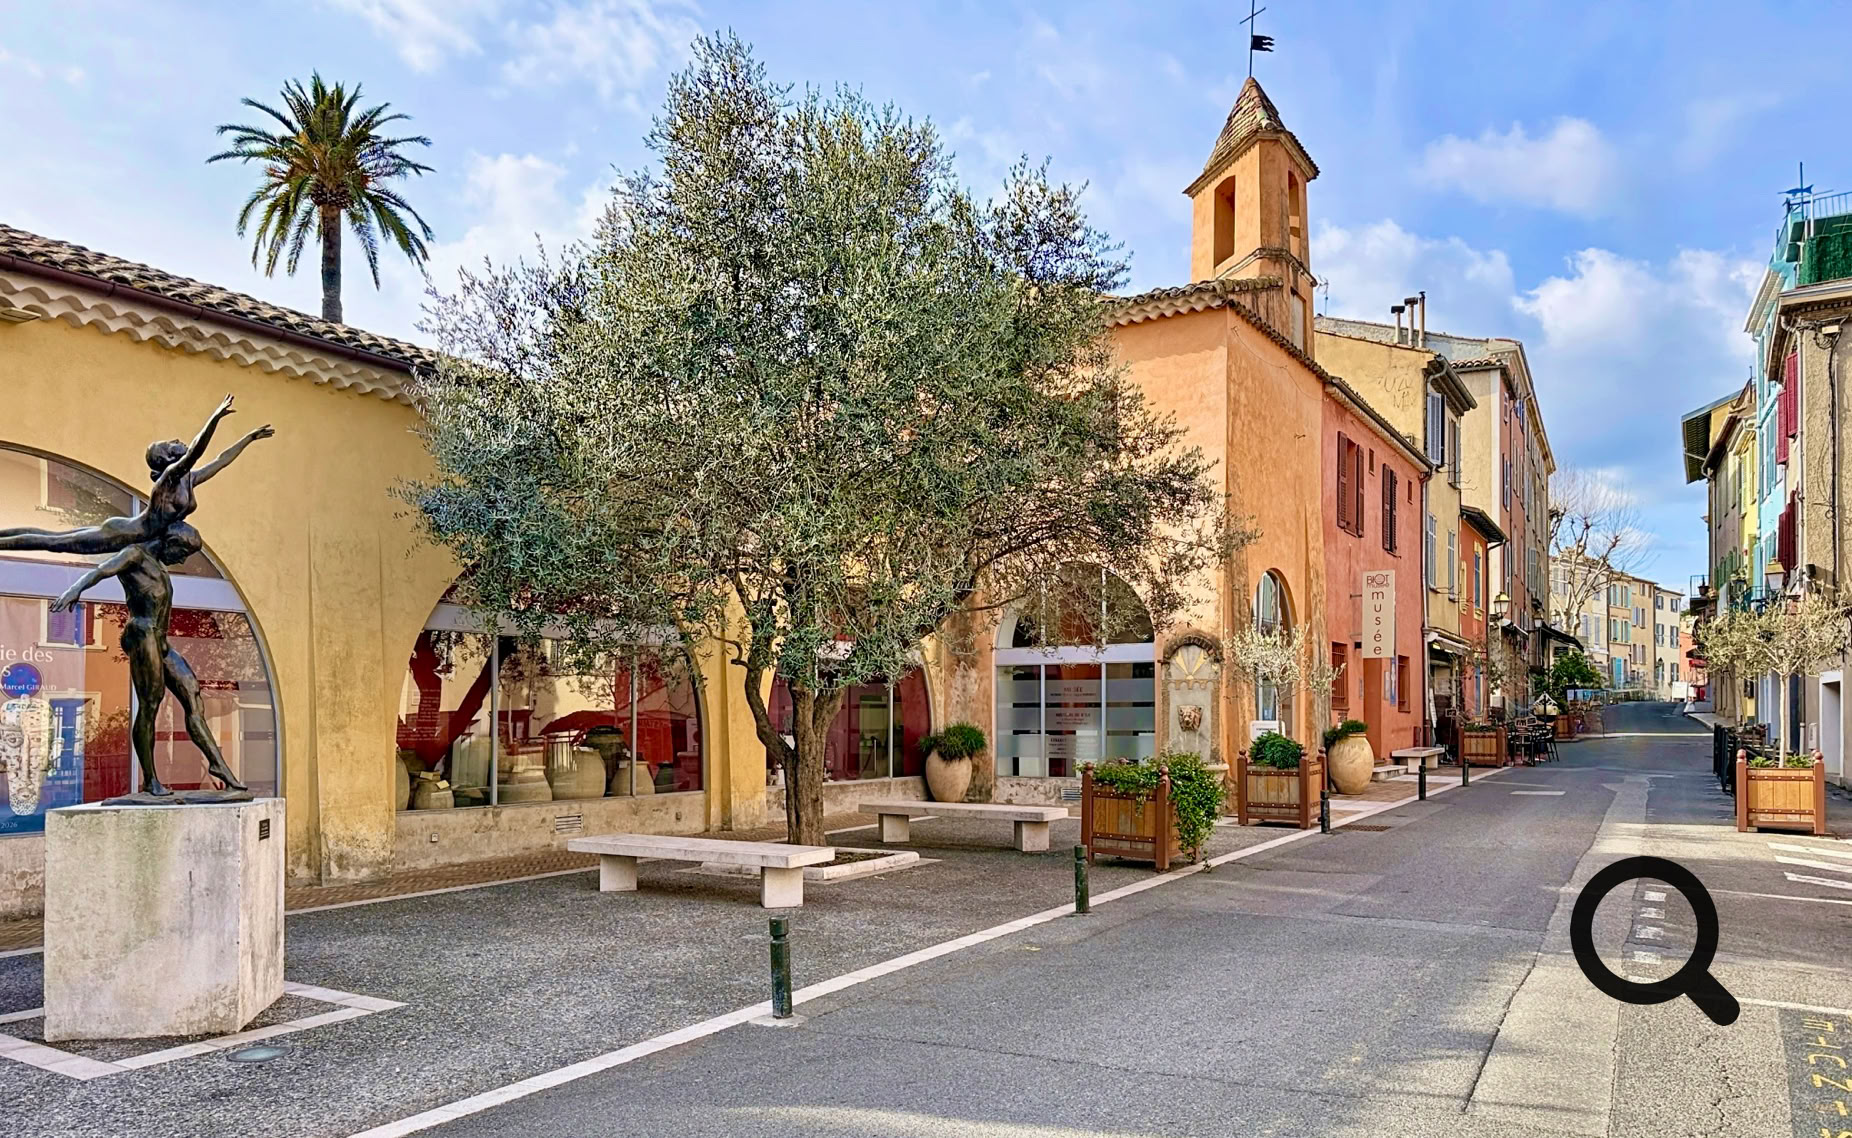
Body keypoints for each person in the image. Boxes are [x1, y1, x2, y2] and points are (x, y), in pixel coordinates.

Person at [50, 528, 246, 796]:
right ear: (169, 543)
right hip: (142, 635)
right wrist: (75, 590)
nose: (182, 560)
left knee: (192, 694)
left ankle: (218, 766)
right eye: (182, 553)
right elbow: (100, 571)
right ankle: (150, 780)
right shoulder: (133, 555)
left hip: (161, 641)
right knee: (151, 704)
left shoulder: (160, 566)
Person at [0, 394, 272, 555]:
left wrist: (248, 439)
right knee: (54, 542)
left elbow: (220, 461)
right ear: (168, 459)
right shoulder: (169, 479)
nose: (177, 440)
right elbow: (196, 453)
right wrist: (214, 418)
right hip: (123, 533)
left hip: (132, 533)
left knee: (54, 537)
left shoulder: (189, 479)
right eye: (171, 444)